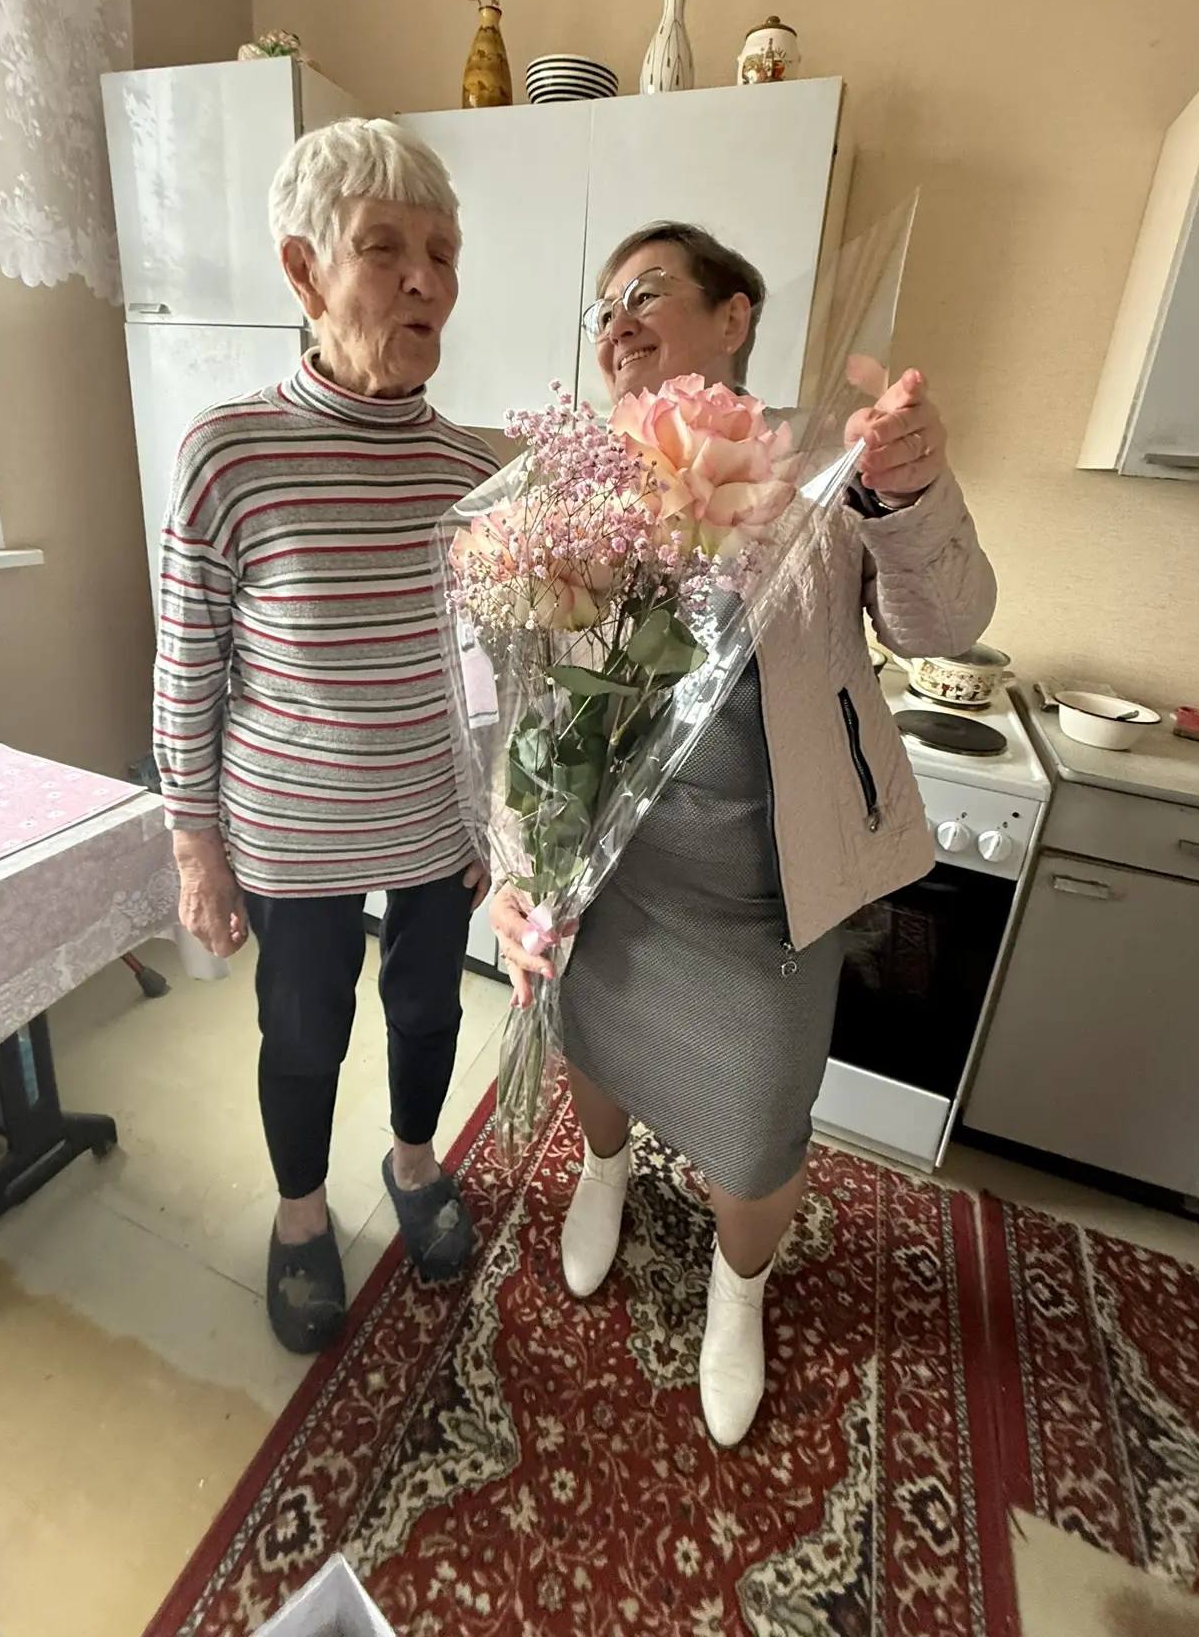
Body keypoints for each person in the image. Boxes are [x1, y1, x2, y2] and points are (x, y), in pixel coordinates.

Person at [490, 221, 996, 1446]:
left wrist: (910, 492)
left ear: (735, 317)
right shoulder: (574, 486)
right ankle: (603, 1172)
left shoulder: (825, 472)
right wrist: (516, 866)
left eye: (646, 291)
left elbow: (944, 624)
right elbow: (525, 704)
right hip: (612, 879)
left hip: (768, 895)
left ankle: (740, 1286)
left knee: (759, 1132)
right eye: (602, 306)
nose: (616, 321)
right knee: (594, 1050)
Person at [154, 120, 495, 1354]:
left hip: (437, 820)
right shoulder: (228, 454)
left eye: (442, 254)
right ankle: (302, 1215)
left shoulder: (474, 469)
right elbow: (188, 667)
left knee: (430, 1010)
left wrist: (500, 816)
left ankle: (414, 1162)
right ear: (304, 271)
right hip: (292, 832)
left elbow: (498, 668)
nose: (424, 280)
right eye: (385, 248)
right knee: (303, 1030)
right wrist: (195, 846)